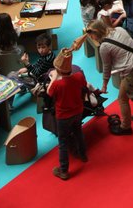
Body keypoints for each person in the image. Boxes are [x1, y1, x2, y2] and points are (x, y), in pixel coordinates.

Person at [89, 19, 133, 135]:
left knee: (122, 99)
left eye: (92, 35)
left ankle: (125, 127)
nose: (92, 38)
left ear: (97, 32)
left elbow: (107, 67)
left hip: (130, 71)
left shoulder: (104, 47)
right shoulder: (119, 29)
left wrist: (104, 85)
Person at [47, 48, 88, 180]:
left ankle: (64, 170)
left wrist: (53, 78)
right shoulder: (79, 76)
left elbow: (49, 93)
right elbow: (83, 85)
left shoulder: (57, 85)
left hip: (63, 117)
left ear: (58, 70)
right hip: (78, 111)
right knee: (78, 132)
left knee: (63, 142)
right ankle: (83, 154)